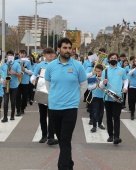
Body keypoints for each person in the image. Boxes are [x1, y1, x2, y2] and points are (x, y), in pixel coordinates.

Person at [45, 38, 87, 170]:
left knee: (65, 139)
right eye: (65, 48)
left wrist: (76, 99)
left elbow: (84, 85)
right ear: (59, 50)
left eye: (69, 48)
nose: (68, 50)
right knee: (62, 140)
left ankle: (63, 167)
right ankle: (69, 163)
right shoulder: (51, 66)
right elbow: (48, 85)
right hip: (54, 108)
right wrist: (55, 96)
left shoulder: (77, 66)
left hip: (70, 108)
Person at [30, 47, 58, 145]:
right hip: (42, 92)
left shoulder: (58, 64)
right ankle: (44, 135)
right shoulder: (40, 65)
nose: (51, 55)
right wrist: (33, 81)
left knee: (52, 115)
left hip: (53, 93)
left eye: (52, 53)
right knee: (42, 115)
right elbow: (33, 76)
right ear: (44, 55)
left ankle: (51, 137)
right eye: (48, 53)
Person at [99, 53, 128, 144]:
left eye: (115, 58)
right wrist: (103, 82)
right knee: (108, 117)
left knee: (116, 116)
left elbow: (125, 80)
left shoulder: (122, 70)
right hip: (108, 97)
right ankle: (110, 135)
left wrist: (125, 87)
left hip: (118, 97)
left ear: (118, 59)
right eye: (111, 58)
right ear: (108, 59)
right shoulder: (105, 71)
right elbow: (100, 85)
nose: (113, 59)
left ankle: (117, 136)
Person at [1, 50, 21, 122]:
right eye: (8, 55)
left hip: (14, 86)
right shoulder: (3, 65)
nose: (10, 57)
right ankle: (5, 117)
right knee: (5, 101)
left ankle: (12, 115)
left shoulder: (17, 64)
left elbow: (20, 74)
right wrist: (2, 81)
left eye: (11, 56)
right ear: (6, 56)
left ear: (13, 56)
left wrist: (13, 72)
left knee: (12, 101)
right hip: (5, 85)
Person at [88, 64, 105, 132]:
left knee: (101, 112)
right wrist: (96, 83)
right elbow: (89, 88)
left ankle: (100, 124)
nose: (98, 73)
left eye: (99, 71)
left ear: (102, 71)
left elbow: (105, 87)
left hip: (103, 97)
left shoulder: (104, 78)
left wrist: (102, 81)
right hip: (95, 96)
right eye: (97, 71)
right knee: (95, 112)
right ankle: (94, 126)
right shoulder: (92, 78)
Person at [15, 50, 32, 116]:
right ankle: (18, 110)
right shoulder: (16, 62)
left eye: (24, 53)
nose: (22, 55)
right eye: (21, 53)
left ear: (25, 55)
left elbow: (31, 72)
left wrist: (25, 69)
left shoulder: (28, 62)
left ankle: (22, 108)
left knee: (25, 97)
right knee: (18, 96)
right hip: (18, 81)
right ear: (19, 54)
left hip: (25, 81)